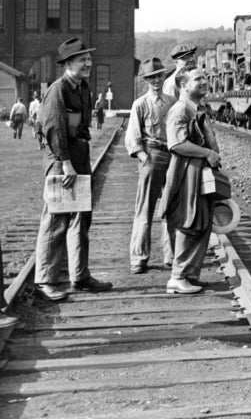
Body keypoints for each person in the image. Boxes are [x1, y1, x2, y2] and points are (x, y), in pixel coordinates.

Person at [33, 38, 113, 301]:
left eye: (89, 59)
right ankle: (45, 280)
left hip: (79, 157)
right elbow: (54, 128)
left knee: (81, 219)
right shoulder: (58, 90)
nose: (88, 64)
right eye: (82, 60)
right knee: (56, 219)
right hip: (61, 160)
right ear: (68, 64)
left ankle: (80, 276)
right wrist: (66, 164)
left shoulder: (83, 87)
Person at [160, 67, 221, 295]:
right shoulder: (180, 110)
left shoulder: (195, 108)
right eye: (198, 79)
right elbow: (176, 144)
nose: (204, 81)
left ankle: (190, 274)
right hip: (187, 174)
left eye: (204, 77)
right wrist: (207, 154)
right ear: (183, 85)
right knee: (189, 221)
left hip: (198, 173)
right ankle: (178, 277)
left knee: (201, 222)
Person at [124, 58, 177, 274]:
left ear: (164, 77)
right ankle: (138, 257)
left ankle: (172, 255)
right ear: (146, 80)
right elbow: (133, 134)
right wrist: (142, 155)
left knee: (172, 208)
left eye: (159, 75)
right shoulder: (140, 104)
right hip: (152, 155)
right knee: (145, 208)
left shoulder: (172, 102)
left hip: (172, 155)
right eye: (152, 77)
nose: (156, 80)